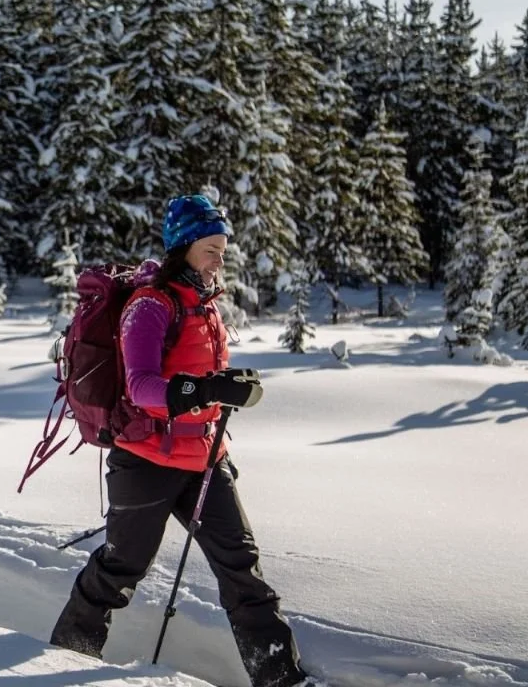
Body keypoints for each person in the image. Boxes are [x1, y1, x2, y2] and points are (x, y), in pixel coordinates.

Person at [49, 194, 310, 687]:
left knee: (241, 570)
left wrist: (228, 382)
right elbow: (141, 387)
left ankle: (282, 678)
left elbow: (192, 373)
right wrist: (208, 389)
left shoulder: (203, 304)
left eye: (223, 249)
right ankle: (65, 659)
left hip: (205, 457)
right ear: (184, 246)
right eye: (211, 248)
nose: (219, 258)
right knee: (121, 569)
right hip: (145, 458)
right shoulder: (150, 305)